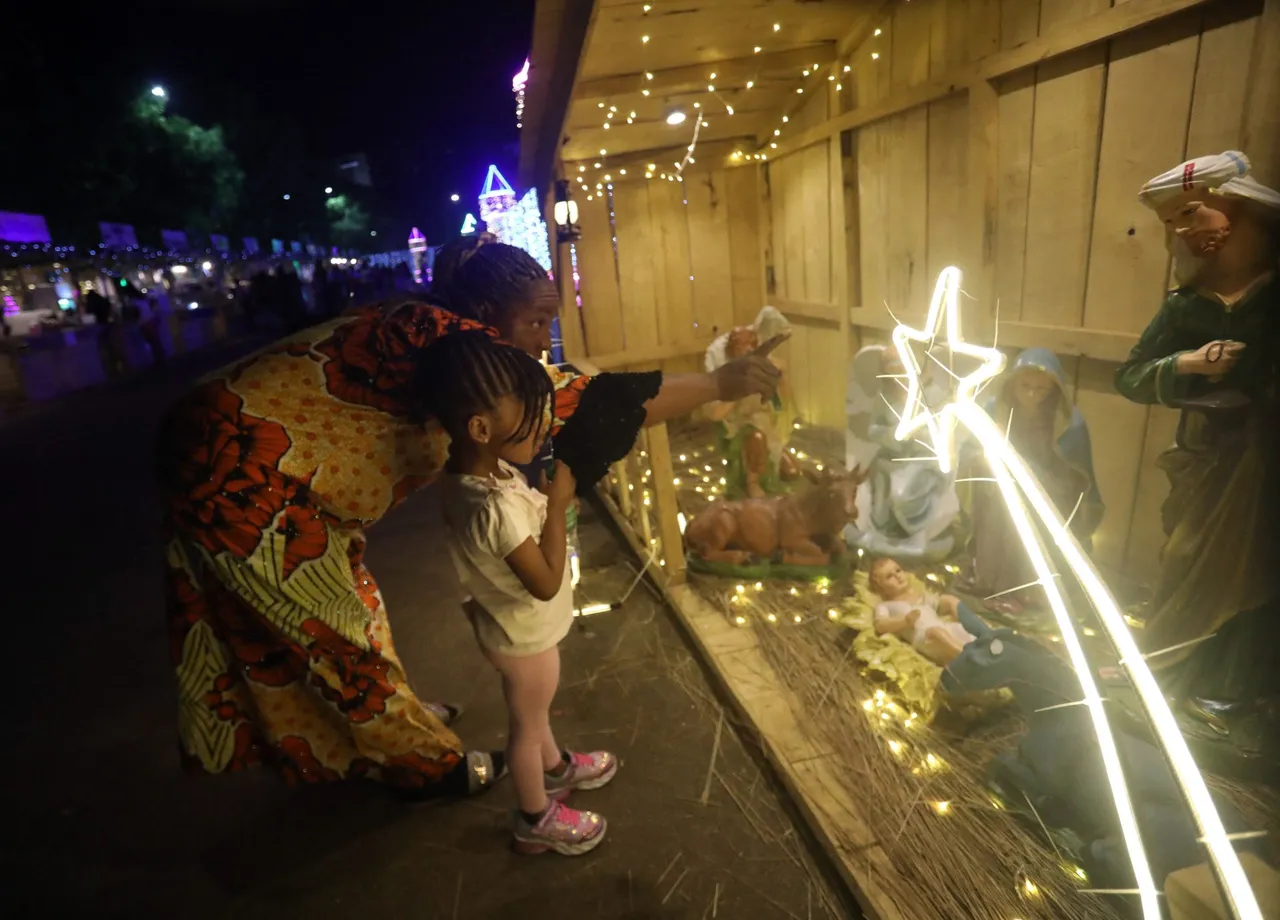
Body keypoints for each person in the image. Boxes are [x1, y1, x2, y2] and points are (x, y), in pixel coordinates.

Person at [158, 239, 784, 799]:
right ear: (485, 313)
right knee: (332, 635)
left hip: (259, 462)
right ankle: (424, 763)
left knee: (351, 605)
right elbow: (572, 400)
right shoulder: (448, 347)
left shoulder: (442, 337)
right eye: (537, 320)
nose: (543, 339)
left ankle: (386, 722)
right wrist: (718, 383)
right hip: (233, 468)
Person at [1113, 150, 1280, 739]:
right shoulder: (1186, 308)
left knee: (1258, 574)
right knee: (1185, 561)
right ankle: (1163, 670)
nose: (1181, 235)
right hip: (1208, 460)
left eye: (1190, 216)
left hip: (1265, 466)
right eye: (1173, 226)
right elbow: (1129, 376)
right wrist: (1186, 363)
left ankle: (1225, 694)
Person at [428, 331, 612, 855]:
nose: (543, 432)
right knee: (526, 726)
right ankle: (535, 818)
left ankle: (555, 769)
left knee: (535, 716)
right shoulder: (494, 507)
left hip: (503, 622)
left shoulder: (473, 476)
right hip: (523, 636)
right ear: (482, 427)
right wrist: (558, 504)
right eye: (532, 424)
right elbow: (546, 579)